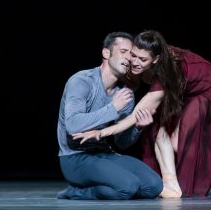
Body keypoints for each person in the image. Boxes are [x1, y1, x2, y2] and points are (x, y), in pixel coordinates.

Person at [72, 30, 211, 198]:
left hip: (204, 88)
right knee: (159, 134)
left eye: (142, 60)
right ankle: (170, 184)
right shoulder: (144, 60)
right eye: (133, 55)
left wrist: (101, 132)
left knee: (178, 142)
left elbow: (136, 115)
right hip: (178, 89)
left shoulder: (165, 74)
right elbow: (130, 81)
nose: (134, 62)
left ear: (155, 59)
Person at [56, 31, 163, 200]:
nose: (129, 58)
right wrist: (112, 108)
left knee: (154, 186)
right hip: (75, 157)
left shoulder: (124, 94)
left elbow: (122, 142)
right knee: (128, 186)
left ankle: (111, 186)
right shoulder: (81, 81)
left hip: (104, 154)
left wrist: (137, 127)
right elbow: (73, 125)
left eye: (132, 54)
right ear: (106, 53)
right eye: (123, 52)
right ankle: (77, 192)